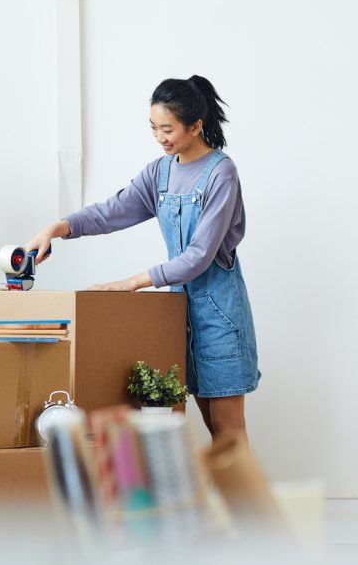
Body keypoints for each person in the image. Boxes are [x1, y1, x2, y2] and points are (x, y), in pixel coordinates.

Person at [26, 75, 260, 442]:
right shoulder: (160, 173)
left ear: (196, 125)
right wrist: (57, 228)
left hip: (220, 316)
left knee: (228, 432)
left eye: (167, 128)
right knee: (206, 429)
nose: (160, 137)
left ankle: (246, 501)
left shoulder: (221, 173)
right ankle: (218, 499)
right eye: (154, 128)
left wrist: (130, 283)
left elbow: (199, 256)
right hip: (178, 316)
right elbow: (113, 211)